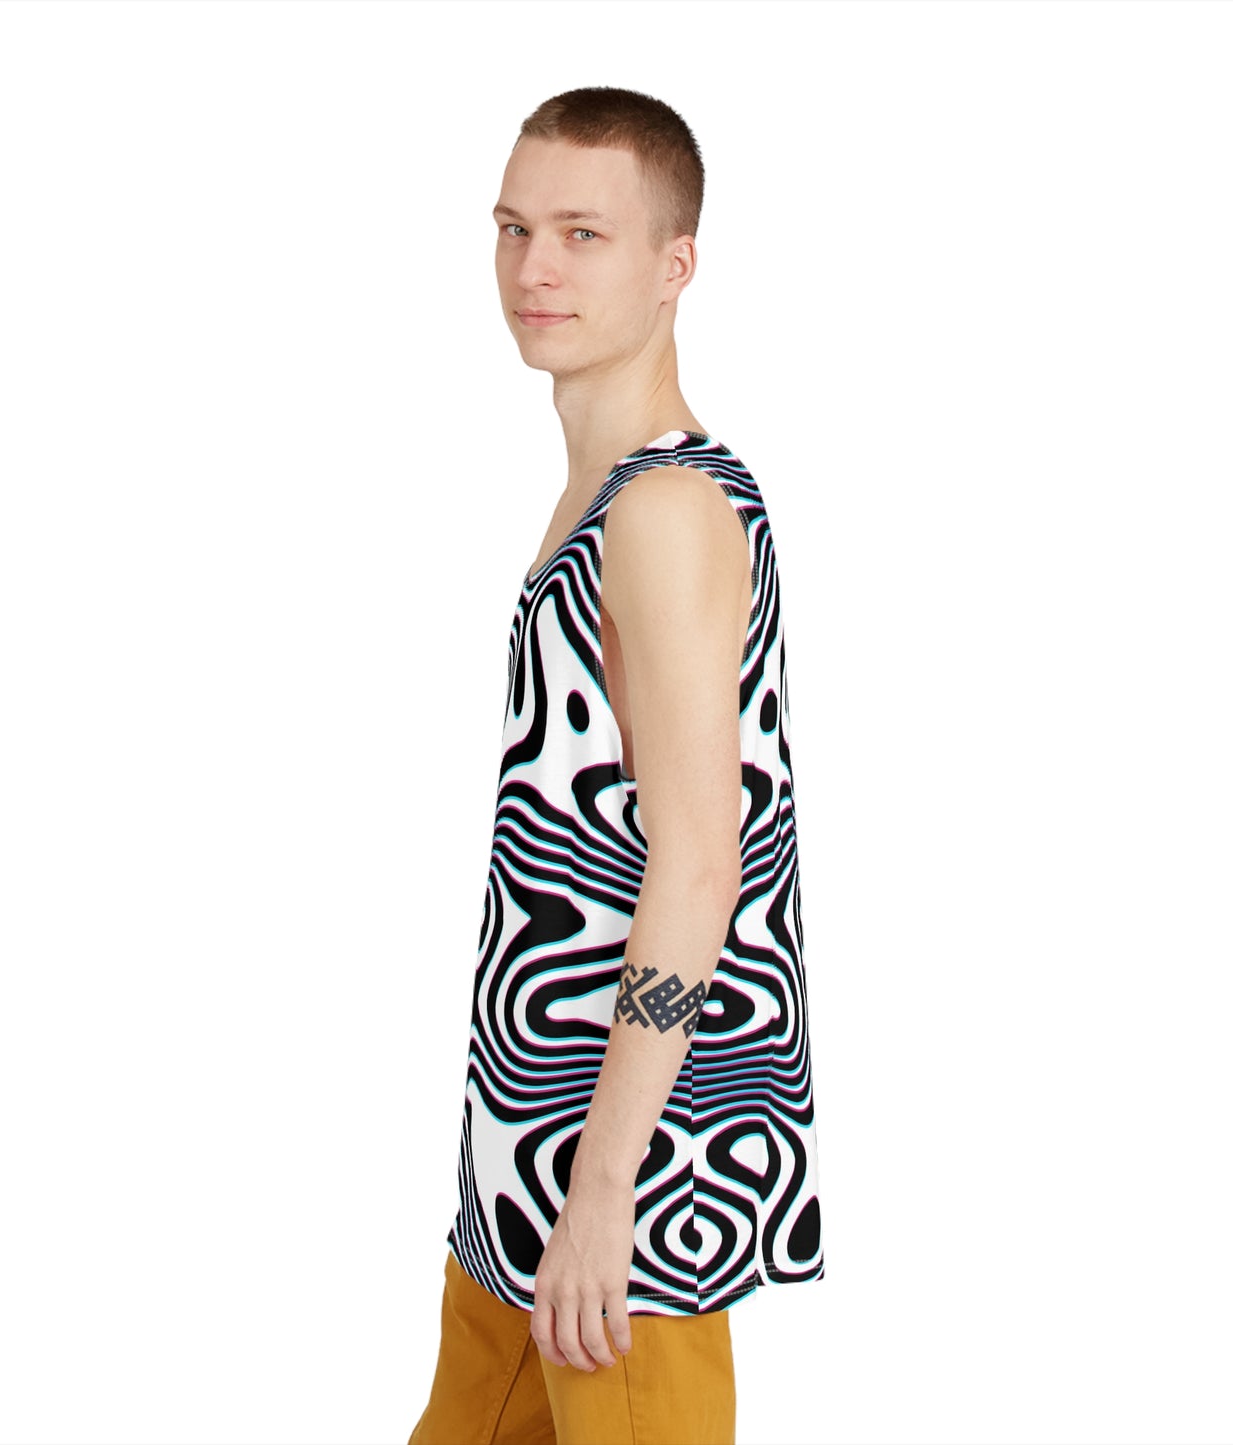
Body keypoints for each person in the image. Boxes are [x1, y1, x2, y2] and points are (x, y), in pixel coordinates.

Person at [408, 85, 824, 1445]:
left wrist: (603, 1194)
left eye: (583, 233)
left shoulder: (665, 507)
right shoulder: (602, 496)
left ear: (673, 263)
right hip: (524, 1156)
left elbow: (700, 864)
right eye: (514, 227)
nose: (535, 266)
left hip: (625, 1187)